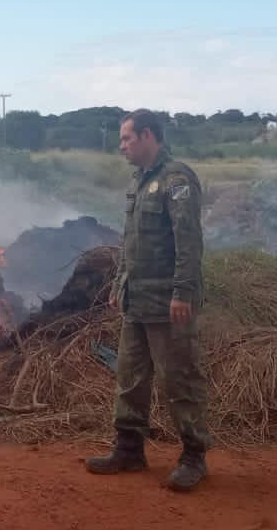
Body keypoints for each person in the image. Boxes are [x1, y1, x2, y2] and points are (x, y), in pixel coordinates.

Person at [86, 109, 214, 490]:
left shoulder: (177, 179)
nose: (121, 146)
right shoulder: (139, 181)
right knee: (130, 377)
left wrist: (182, 293)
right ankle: (129, 449)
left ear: (146, 136)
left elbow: (188, 243)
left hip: (168, 303)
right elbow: (131, 243)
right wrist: (118, 285)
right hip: (136, 301)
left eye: (126, 139)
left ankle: (194, 457)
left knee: (180, 378)